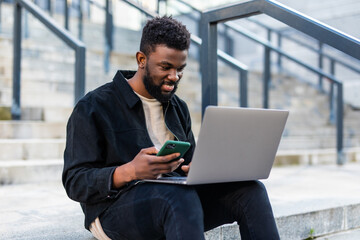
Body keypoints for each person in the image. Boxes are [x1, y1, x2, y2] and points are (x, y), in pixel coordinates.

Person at [62, 16, 280, 240]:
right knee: (177, 196)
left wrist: (201, 169)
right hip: (112, 210)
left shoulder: (178, 107)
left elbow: (189, 164)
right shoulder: (94, 106)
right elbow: (74, 181)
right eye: (165, 67)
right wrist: (130, 171)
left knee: (251, 191)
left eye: (180, 69)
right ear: (141, 60)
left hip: (177, 203)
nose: (174, 77)